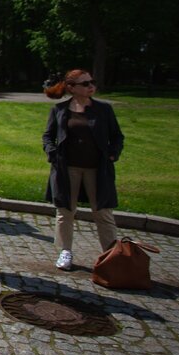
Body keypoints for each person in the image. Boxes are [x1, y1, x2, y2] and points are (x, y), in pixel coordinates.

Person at [42, 70, 123, 271]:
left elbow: (117, 136)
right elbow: (48, 136)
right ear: (71, 88)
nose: (90, 86)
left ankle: (112, 255)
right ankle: (65, 251)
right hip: (67, 168)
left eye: (92, 82)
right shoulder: (60, 110)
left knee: (102, 211)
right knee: (65, 211)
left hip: (97, 169)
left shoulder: (103, 110)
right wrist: (52, 153)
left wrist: (113, 154)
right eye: (85, 83)